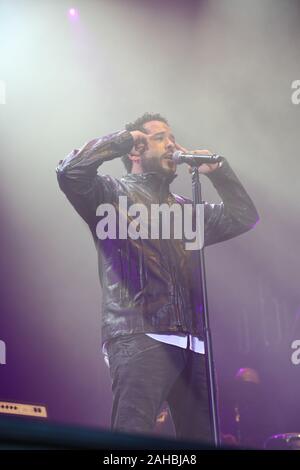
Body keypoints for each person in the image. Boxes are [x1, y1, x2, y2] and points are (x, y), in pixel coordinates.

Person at [56, 112, 259, 443]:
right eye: (161, 137)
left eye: (172, 137)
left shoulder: (185, 210)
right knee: (131, 443)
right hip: (139, 335)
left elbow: (244, 216)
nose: (172, 145)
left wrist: (220, 173)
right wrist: (122, 138)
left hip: (192, 342)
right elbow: (69, 172)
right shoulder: (109, 195)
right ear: (136, 150)